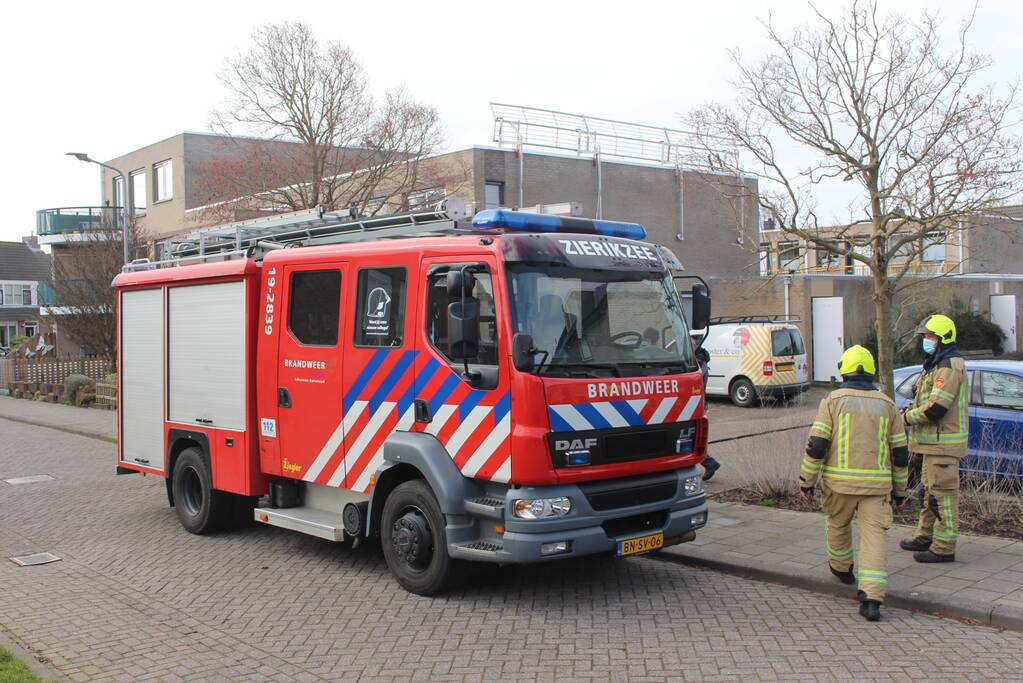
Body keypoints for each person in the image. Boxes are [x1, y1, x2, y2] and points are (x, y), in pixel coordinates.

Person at [799, 345, 909, 622]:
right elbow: (900, 453)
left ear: (844, 370)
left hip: (839, 485)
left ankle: (842, 569)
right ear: (871, 371)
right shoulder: (887, 405)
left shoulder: (832, 401)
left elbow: (817, 446)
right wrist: (900, 491)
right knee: (874, 539)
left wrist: (806, 483)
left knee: (837, 524)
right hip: (877, 489)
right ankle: (871, 599)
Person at [899, 314, 968, 563]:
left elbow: (936, 409)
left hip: (943, 445)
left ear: (943, 338)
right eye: (925, 336)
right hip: (932, 444)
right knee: (930, 493)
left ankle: (943, 548)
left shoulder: (948, 366)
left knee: (942, 496)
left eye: (930, 336)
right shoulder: (936, 364)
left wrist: (906, 418)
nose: (926, 341)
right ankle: (925, 536)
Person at [691, 332, 721, 481]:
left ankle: (709, 463)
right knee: (692, 438)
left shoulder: (698, 362)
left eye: (690, 345)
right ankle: (708, 463)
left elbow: (694, 382)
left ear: (695, 346)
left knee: (692, 439)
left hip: (695, 404)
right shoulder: (697, 360)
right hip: (694, 403)